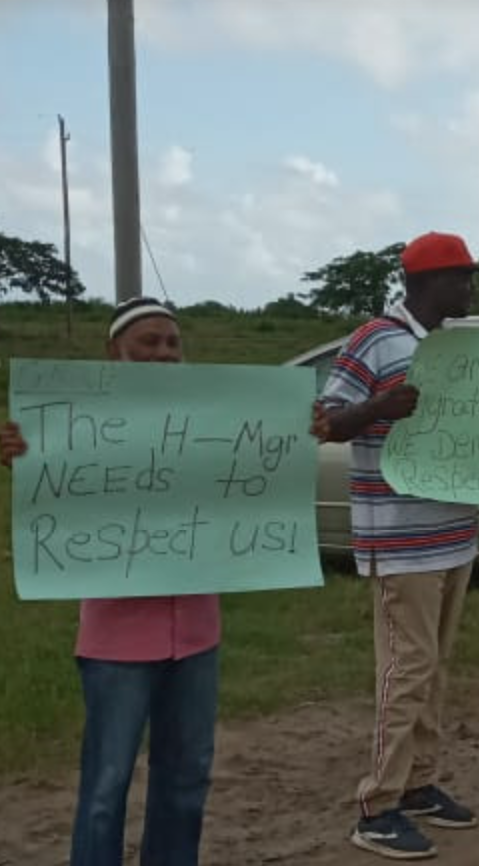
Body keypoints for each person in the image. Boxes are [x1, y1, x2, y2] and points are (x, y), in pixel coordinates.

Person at [0, 298, 324, 866]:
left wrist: (301, 430)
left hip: (197, 634)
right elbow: (56, 487)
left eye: (173, 343)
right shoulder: (76, 425)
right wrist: (23, 456)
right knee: (105, 787)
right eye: (149, 341)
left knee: (186, 779)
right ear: (114, 353)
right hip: (115, 642)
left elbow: (254, 471)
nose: (164, 353)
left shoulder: (212, 422)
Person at [321, 232, 479, 860]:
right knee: (406, 668)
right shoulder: (374, 340)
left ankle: (419, 783)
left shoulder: (459, 347)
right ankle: (377, 805)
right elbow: (326, 421)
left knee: (434, 669)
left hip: (453, 533)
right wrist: (384, 405)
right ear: (424, 282)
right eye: (463, 277)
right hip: (401, 539)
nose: (471, 289)